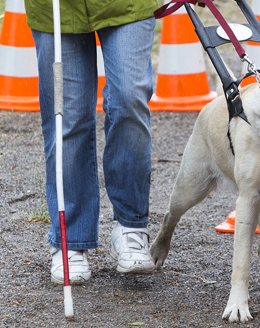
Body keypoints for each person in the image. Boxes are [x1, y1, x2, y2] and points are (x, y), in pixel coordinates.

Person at [25, 0, 160, 284]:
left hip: (127, 6)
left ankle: (130, 227)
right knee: (68, 117)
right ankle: (70, 239)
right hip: (56, 9)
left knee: (129, 98)